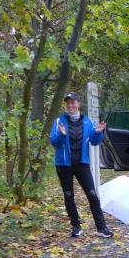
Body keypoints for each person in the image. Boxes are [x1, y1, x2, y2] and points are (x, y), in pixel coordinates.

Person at [49, 92, 113, 238]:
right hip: (63, 165)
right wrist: (62, 135)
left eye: (73, 102)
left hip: (82, 164)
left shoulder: (87, 122)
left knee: (92, 195)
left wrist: (98, 132)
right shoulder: (59, 121)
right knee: (69, 195)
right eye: (68, 103)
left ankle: (101, 228)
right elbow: (54, 142)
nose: (70, 105)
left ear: (78, 104)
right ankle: (76, 226)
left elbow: (95, 142)